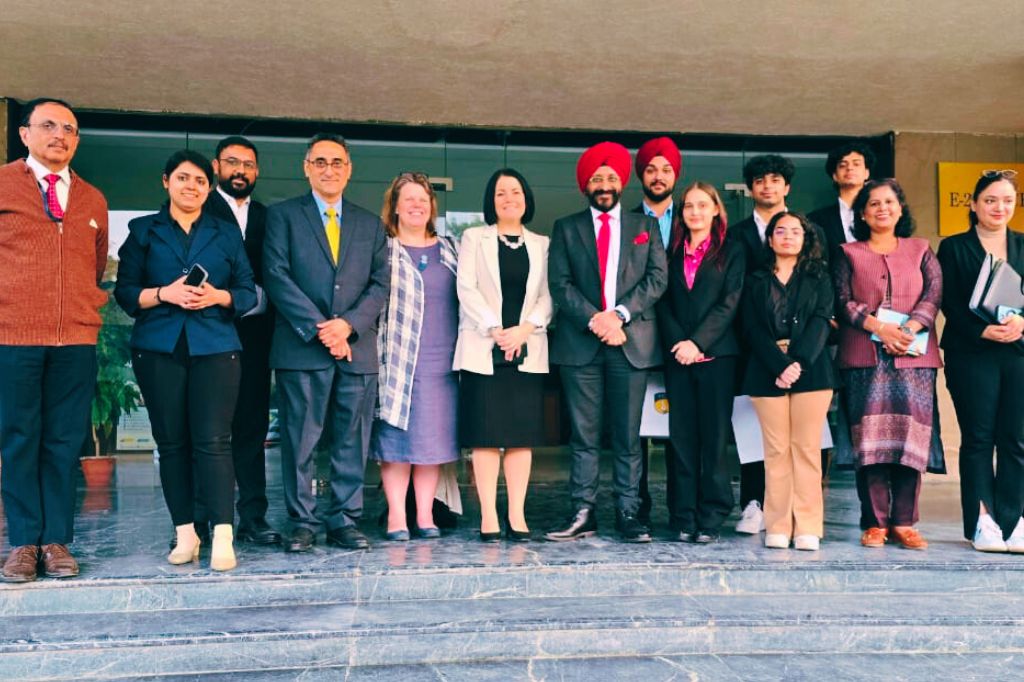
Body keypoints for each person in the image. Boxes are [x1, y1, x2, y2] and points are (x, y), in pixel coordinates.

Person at [115, 150, 257, 571]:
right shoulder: (142, 231)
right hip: (159, 348)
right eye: (183, 178)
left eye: (199, 180)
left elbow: (248, 292)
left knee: (214, 442)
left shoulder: (226, 233)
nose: (191, 186)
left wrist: (218, 296)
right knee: (172, 443)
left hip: (215, 345)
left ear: (208, 187)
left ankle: (223, 535)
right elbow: (126, 294)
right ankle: (185, 534)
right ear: (166, 182)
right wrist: (165, 293)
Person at [263, 133, 389, 553]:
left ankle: (344, 520)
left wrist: (347, 326)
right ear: (307, 167)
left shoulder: (369, 224)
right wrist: (324, 329)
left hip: (356, 351)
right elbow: (277, 277)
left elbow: (379, 285)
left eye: (337, 162)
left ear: (349, 169)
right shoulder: (282, 216)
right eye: (320, 162)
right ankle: (302, 522)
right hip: (303, 349)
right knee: (300, 441)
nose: (329, 169)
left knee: (352, 441)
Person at [0, 98, 109, 583]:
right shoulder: (3, 183)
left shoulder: (92, 198)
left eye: (69, 128)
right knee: (20, 439)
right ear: (25, 134)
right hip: (14, 336)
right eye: (48, 126)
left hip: (75, 342)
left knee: (65, 442)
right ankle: (24, 542)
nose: (59, 135)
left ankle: (56, 540)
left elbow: (97, 262)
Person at [545, 142, 668, 543]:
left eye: (611, 177)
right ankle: (583, 512)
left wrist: (619, 315)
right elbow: (560, 284)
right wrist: (596, 320)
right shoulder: (566, 227)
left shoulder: (644, 228)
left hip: (629, 343)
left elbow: (656, 279)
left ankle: (628, 513)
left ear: (621, 183)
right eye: (596, 178)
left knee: (627, 436)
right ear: (586, 186)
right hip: (580, 346)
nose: (604, 184)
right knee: (584, 436)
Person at [833, 178, 942, 550]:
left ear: (900, 209)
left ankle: (905, 522)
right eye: (873, 204)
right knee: (872, 442)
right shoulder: (848, 252)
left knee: (911, 441)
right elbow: (842, 299)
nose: (882, 208)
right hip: (865, 357)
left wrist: (907, 330)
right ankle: (875, 521)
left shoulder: (921, 249)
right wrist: (881, 327)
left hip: (914, 357)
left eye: (889, 202)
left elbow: (933, 292)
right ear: (862, 213)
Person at [454, 169, 552, 542]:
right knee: (485, 436)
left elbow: (548, 294)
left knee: (519, 437)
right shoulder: (473, 238)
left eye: (515, 191)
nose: (508, 198)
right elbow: (467, 287)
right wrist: (496, 329)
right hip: (483, 345)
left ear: (526, 198)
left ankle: (517, 514)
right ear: (491, 201)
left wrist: (525, 329)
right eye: (500, 193)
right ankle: (490, 517)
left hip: (526, 348)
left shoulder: (541, 243)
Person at [937, 170, 1024, 553]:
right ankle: (983, 521)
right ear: (973, 204)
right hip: (972, 354)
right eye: (990, 200)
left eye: (1007, 200)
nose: (999, 207)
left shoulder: (1023, 244)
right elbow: (948, 300)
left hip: (1018, 352)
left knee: (1016, 440)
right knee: (978, 438)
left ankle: (1015, 520)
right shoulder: (954, 247)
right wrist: (981, 330)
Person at [372, 172, 460, 541]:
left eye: (422, 199)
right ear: (394, 207)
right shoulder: (382, 249)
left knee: (431, 443)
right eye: (407, 199)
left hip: (443, 361)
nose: (416, 205)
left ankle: (425, 515)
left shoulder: (451, 247)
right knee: (395, 443)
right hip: (394, 358)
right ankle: (396, 516)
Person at [201, 135, 280, 546]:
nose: (240, 171)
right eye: (232, 163)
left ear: (256, 171)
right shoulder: (200, 209)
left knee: (251, 426)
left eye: (248, 165)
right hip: (210, 334)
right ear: (216, 167)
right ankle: (207, 519)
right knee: (210, 428)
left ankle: (253, 516)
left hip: (256, 338)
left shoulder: (269, 217)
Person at [741, 212, 835, 551]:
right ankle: (778, 524)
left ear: (805, 239)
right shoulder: (754, 279)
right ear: (770, 239)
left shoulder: (820, 276)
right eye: (780, 230)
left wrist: (798, 363)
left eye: (796, 231)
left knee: (806, 450)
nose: (788, 236)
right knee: (776, 451)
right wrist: (780, 364)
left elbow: (823, 320)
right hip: (766, 370)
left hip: (812, 371)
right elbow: (750, 328)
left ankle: (808, 525)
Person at [656, 181, 744, 543]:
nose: (695, 212)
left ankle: (712, 514)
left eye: (702, 205)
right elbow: (660, 300)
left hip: (717, 357)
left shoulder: (732, 251)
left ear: (716, 210)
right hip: (679, 357)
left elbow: (731, 301)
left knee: (714, 438)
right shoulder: (670, 251)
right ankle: (683, 515)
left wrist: (698, 342)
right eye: (688, 206)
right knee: (681, 439)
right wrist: (681, 343)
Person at [731, 154, 797, 536]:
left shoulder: (807, 228)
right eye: (759, 180)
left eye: (774, 180)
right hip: (749, 347)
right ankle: (754, 503)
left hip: (799, 352)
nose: (767, 186)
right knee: (753, 429)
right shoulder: (736, 233)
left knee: (801, 435)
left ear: (787, 187)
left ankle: (792, 505)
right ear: (751, 188)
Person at [631, 137, 683, 527]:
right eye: (651, 169)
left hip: (686, 338)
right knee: (637, 429)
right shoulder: (625, 220)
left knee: (681, 426)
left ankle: (682, 508)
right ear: (641, 176)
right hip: (637, 338)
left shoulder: (694, 217)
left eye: (666, 169)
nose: (659, 176)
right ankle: (638, 506)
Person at [808, 142, 876, 262]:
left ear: (866, 173)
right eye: (843, 165)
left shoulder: (879, 214)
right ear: (835, 176)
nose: (850, 168)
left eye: (856, 164)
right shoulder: (815, 219)